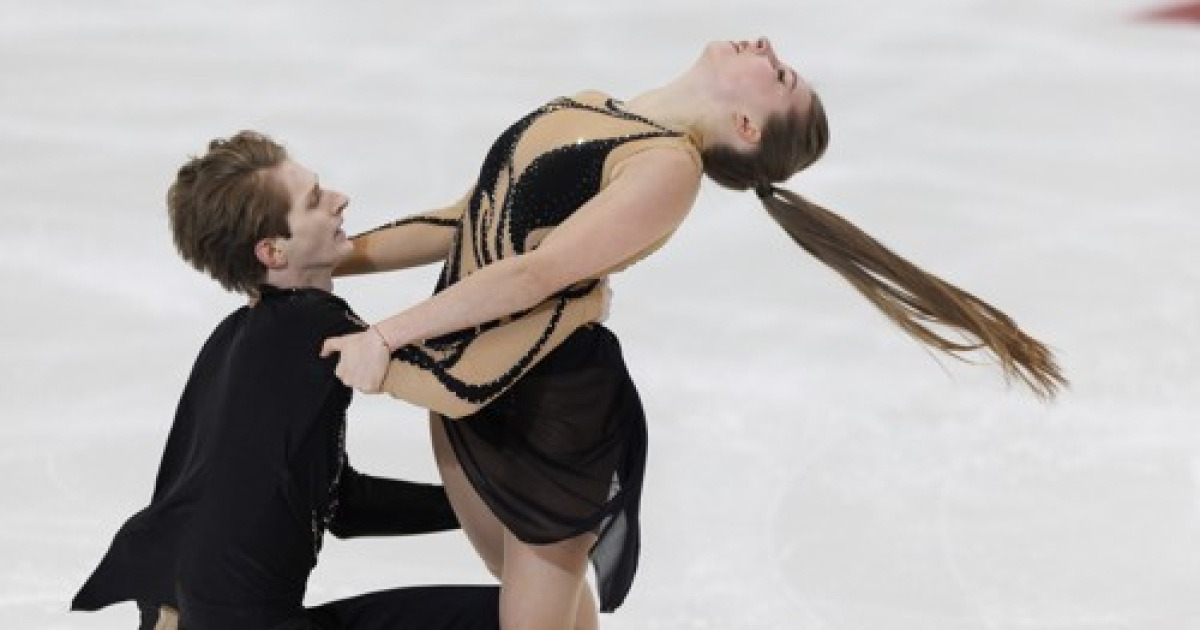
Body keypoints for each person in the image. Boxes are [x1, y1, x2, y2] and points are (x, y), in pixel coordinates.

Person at [323, 37, 1067, 629]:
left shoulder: (666, 168)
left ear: (745, 128)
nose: (769, 48)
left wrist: (386, 336)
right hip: (468, 384)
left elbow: (534, 275)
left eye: (780, 76)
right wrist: (331, 262)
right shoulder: (589, 104)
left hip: (550, 410)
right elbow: (466, 217)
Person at [70, 131, 501, 630]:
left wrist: (475, 504)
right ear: (272, 252)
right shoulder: (315, 325)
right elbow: (461, 379)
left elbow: (342, 505)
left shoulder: (233, 339)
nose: (341, 200)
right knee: (537, 615)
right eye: (315, 201)